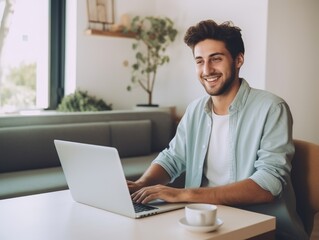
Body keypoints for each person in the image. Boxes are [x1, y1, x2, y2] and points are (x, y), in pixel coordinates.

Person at [127, 19, 308, 240]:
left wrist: (185, 194)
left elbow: (267, 185)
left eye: (216, 59)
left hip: (261, 228)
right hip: (202, 223)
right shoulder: (195, 110)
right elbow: (172, 158)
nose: (207, 70)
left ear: (238, 59)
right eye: (199, 61)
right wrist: (141, 185)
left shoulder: (272, 108)